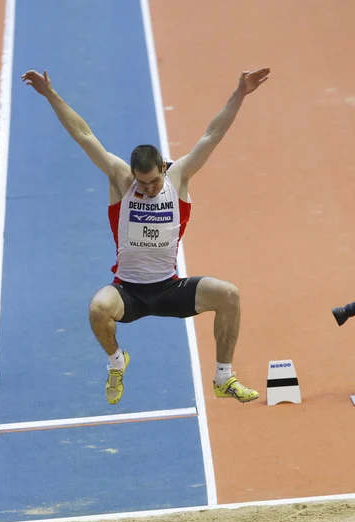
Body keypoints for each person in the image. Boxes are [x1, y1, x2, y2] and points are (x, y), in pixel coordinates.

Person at [22, 66, 270, 405]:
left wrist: (240, 93)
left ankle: (224, 379)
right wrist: (51, 94)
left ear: (163, 169)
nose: (149, 189)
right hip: (129, 291)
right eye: (142, 183)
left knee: (229, 295)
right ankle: (116, 362)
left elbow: (213, 135)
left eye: (154, 182)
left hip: (170, 288)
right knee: (97, 308)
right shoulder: (122, 181)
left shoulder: (178, 178)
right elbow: (83, 135)